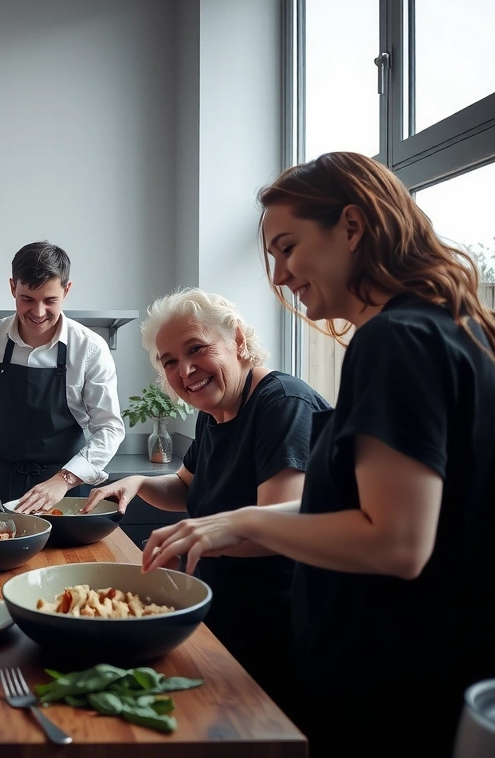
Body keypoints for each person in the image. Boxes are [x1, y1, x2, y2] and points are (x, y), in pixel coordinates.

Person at [143, 152, 495, 758]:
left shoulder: (395, 340)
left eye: (288, 247)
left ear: (351, 227)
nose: (278, 275)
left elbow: (396, 543)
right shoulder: (440, 327)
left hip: (404, 697)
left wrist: (242, 519)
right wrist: (218, 524)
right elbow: (357, 511)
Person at [83, 288, 329, 717]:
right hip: (224, 613)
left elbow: (276, 531)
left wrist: (188, 542)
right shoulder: (214, 411)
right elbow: (185, 488)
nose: (187, 370)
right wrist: (138, 480)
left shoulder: (282, 404)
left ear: (236, 339)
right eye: (171, 361)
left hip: (278, 626)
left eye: (197, 349)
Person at [0, 241, 125, 512]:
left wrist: (64, 479)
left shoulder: (89, 348)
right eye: (27, 299)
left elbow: (109, 428)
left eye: (50, 301)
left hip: (64, 488)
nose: (38, 312)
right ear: (13, 287)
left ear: (66, 290)